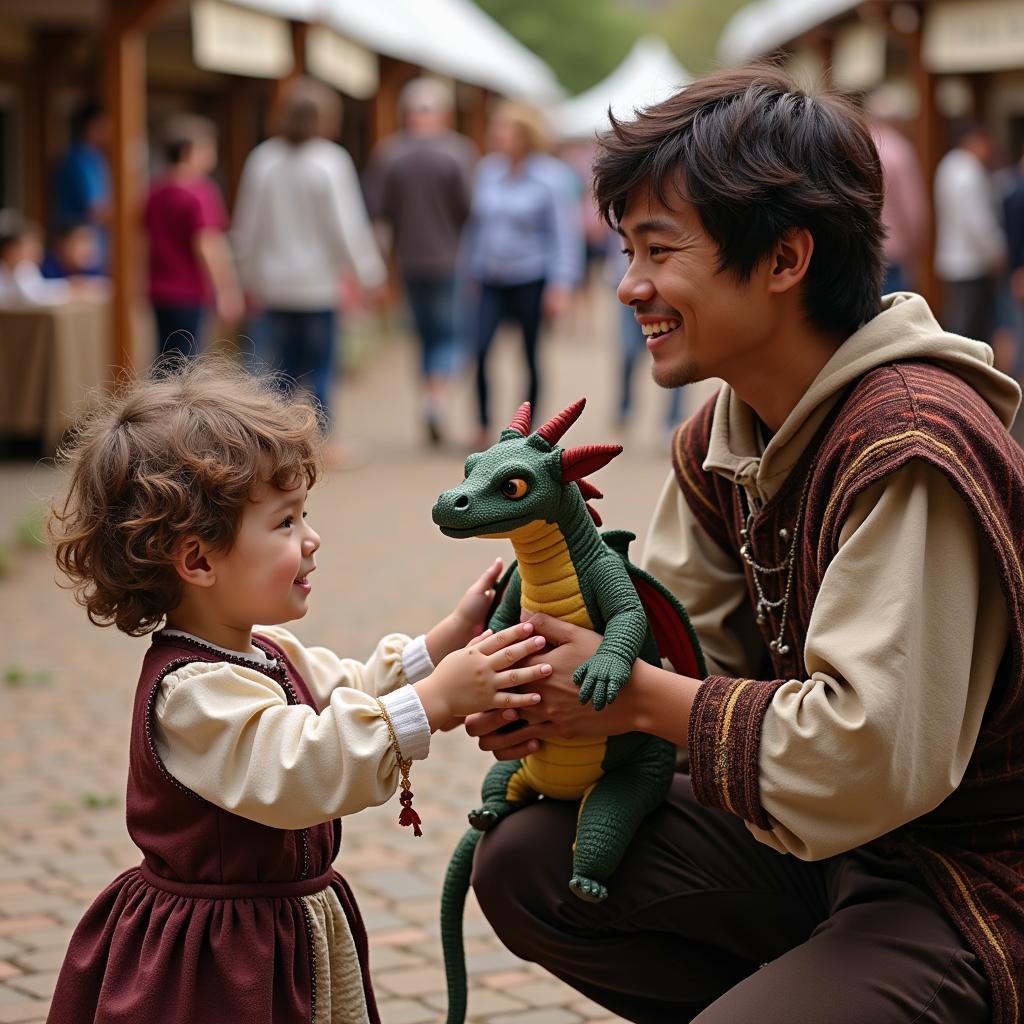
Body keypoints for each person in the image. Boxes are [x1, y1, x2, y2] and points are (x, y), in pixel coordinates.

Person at [464, 66, 1024, 1024]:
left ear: (783, 259)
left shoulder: (910, 442)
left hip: (970, 880)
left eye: (658, 249)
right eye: (624, 249)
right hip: (827, 849)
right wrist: (550, 703)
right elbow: (688, 655)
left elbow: (869, 755)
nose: (629, 285)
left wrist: (630, 694)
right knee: (524, 858)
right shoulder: (723, 432)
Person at [45, 355, 551, 1024]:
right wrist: (432, 704)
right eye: (285, 523)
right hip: (221, 963)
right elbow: (301, 766)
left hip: (282, 930)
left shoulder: (267, 651)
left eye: (304, 514)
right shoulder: (191, 694)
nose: (312, 540)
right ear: (197, 560)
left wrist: (444, 644)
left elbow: (354, 691)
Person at [233, 77, 387, 465]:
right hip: (318, 286)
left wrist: (246, 277)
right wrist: (369, 274)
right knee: (320, 368)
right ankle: (324, 443)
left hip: (273, 285)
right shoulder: (330, 161)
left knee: (277, 372)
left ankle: (277, 446)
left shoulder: (263, 160)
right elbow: (347, 227)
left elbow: (247, 227)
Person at [462, 100, 583, 449]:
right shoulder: (487, 171)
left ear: (525, 136)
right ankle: (482, 425)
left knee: (530, 355)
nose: (496, 134)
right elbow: (477, 228)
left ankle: (528, 433)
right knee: (480, 350)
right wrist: (471, 270)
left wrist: (562, 286)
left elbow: (565, 235)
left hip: (532, 278)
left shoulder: (551, 177)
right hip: (491, 279)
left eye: (505, 129)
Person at [365, 77, 476, 447]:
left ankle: (429, 396)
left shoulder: (390, 153)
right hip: (449, 260)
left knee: (424, 335)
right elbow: (470, 210)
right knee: (448, 335)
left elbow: (378, 214)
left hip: (409, 261)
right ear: (443, 114)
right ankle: (436, 398)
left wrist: (381, 265)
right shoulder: (459, 152)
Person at [143, 114, 243, 357]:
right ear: (190, 151)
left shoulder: (154, 191)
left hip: (158, 290)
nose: (213, 156)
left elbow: (142, 241)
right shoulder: (200, 191)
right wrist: (227, 291)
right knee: (187, 362)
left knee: (165, 359)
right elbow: (208, 243)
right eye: (208, 148)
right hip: (189, 291)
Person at [934, 122, 1006, 342]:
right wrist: (997, 251)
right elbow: (978, 221)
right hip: (972, 262)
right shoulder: (970, 171)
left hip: (952, 258)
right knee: (970, 328)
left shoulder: (948, 165)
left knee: (960, 321)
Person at [864, 86, 927, 294]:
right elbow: (913, 209)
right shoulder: (900, 150)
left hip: (864, 247)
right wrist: (917, 249)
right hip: (894, 250)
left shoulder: (860, 146)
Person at [52, 99, 110, 273]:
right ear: (92, 126)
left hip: (93, 247)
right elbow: (96, 208)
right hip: (79, 249)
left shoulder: (96, 157)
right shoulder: (80, 160)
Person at [0, 209, 72, 305]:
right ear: (9, 250)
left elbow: (41, 289)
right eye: (30, 246)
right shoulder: (21, 269)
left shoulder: (28, 270)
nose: (37, 251)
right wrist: (70, 287)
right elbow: (34, 298)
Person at [40, 221, 104, 280]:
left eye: (91, 241)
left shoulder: (94, 271)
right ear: (63, 244)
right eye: (82, 241)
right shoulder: (45, 270)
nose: (89, 248)